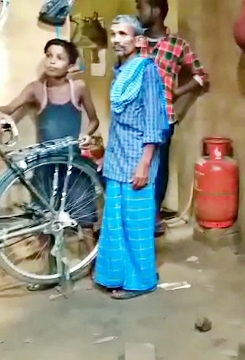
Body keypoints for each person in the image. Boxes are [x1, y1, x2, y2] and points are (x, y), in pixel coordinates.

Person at [0, 38, 101, 291]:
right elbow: (8, 108)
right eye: (49, 55)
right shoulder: (36, 89)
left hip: (73, 162)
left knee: (85, 219)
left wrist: (87, 134)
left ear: (71, 65)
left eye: (59, 57)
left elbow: (94, 120)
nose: (52, 61)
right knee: (43, 220)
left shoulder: (78, 88)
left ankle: (94, 266)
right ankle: (48, 273)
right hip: (46, 165)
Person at [93, 15, 168, 300]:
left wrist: (145, 164)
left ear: (138, 41)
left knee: (136, 223)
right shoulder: (120, 71)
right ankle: (115, 275)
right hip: (118, 158)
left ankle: (140, 281)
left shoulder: (147, 71)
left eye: (122, 34)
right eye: (113, 34)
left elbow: (153, 120)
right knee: (115, 221)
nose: (116, 40)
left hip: (138, 158)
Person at [136, 0, 209, 235]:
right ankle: (136, 213)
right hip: (134, 117)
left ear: (156, 11)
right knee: (134, 165)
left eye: (141, 7)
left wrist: (176, 93)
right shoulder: (136, 41)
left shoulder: (178, 45)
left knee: (159, 168)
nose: (138, 12)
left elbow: (201, 76)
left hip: (163, 117)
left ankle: (154, 214)